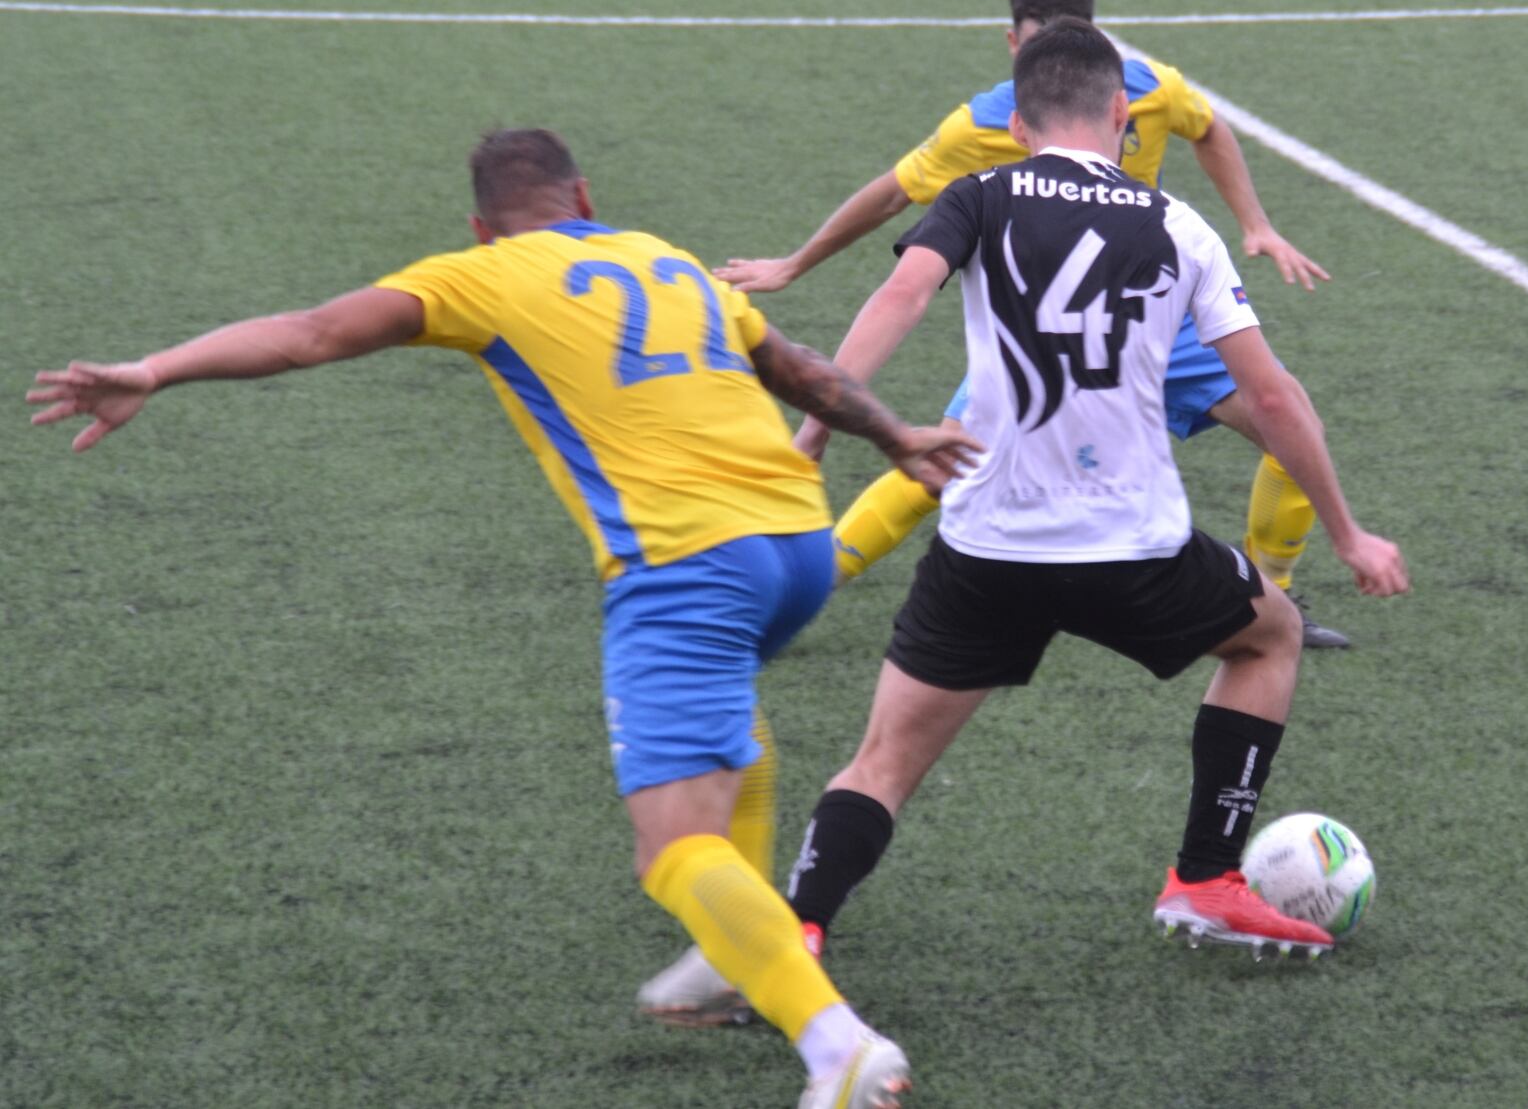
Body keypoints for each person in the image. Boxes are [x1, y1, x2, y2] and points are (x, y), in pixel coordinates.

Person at [26, 128, 979, 1109]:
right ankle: (732, 958)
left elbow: (312, 331)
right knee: (721, 725)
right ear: (585, 194)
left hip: (688, 564)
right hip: (799, 546)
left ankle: (837, 1043)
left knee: (672, 845)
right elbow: (799, 367)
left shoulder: (482, 275)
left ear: (483, 226)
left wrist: (154, 367)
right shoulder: (666, 258)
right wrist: (895, 433)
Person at [774, 19, 1409, 971]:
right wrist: (1350, 532)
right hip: (1132, 550)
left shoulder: (975, 196)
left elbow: (897, 300)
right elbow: (1273, 396)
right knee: (1269, 633)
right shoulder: (1173, 222)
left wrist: (821, 427)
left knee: (882, 763)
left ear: (1019, 124)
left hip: (987, 549)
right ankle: (1204, 878)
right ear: (1122, 112)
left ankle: (799, 931)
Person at [716, 0, 1351, 649]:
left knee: (1292, 429)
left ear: (1015, 42)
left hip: (1155, 313)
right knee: (944, 465)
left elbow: (1208, 129)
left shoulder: (1111, 96)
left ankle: (1273, 597)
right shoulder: (1027, 113)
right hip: (1051, 323)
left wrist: (1256, 222)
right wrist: (794, 263)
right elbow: (894, 195)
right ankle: (795, 597)